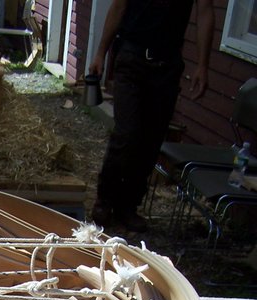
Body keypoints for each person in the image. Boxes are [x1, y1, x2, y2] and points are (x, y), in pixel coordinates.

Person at [88, 0, 214, 232]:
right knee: (126, 134)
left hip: (167, 65)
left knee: (150, 141)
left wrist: (203, 65)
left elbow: (205, 11)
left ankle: (128, 206)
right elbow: (118, 6)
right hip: (132, 58)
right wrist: (100, 53)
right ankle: (104, 202)